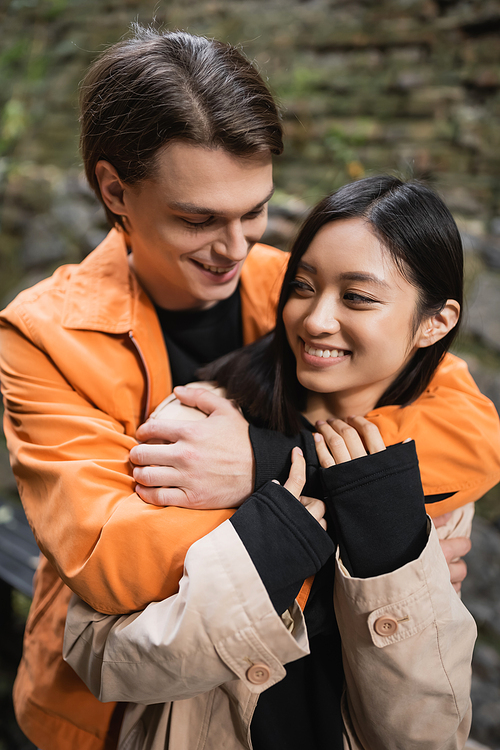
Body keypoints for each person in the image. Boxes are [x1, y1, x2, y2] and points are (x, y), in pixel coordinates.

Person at [0, 24, 497, 750]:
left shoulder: (296, 291)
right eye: (199, 219)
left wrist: (266, 463)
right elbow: (113, 559)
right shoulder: (45, 333)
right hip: (113, 715)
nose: (236, 249)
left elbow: (469, 431)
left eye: (254, 211)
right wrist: (367, 542)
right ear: (115, 190)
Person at [64, 176, 486, 750]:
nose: (314, 320)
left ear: (435, 323)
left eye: (358, 297)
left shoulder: (425, 480)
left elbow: (428, 731)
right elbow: (103, 659)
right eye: (304, 286)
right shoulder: (199, 424)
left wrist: (382, 547)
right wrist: (267, 546)